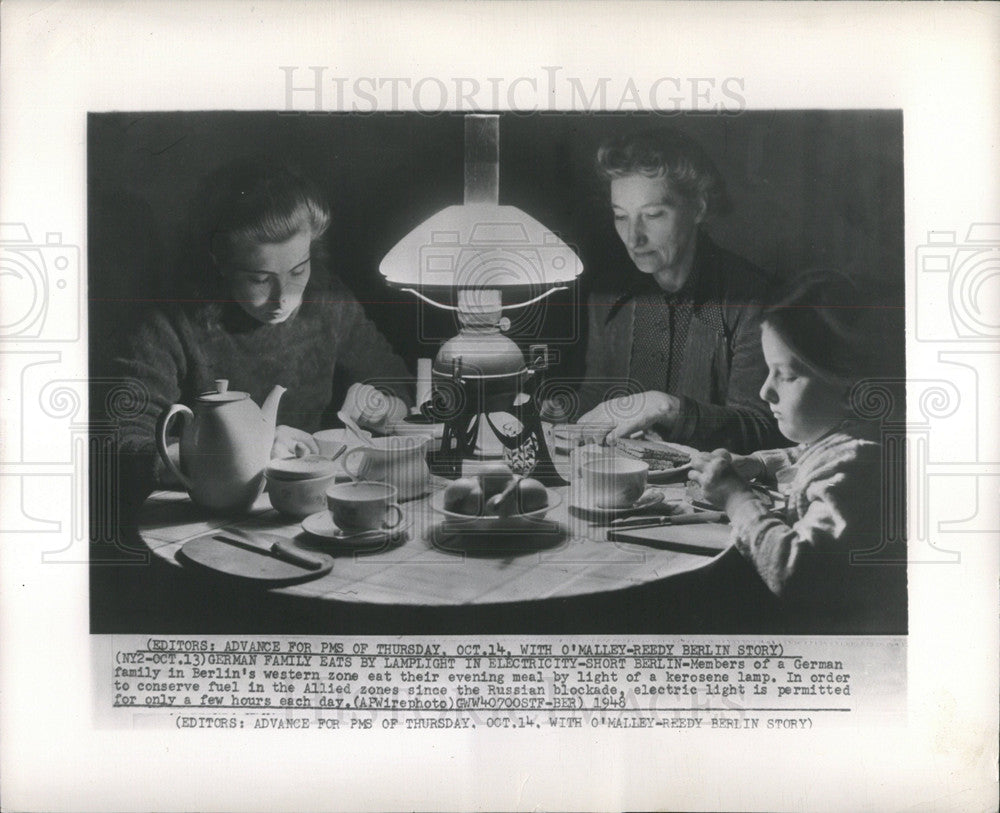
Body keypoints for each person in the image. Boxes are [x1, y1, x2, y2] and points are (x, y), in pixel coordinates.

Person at [109, 156, 411, 502]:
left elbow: (395, 380)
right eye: (259, 279)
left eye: (298, 270)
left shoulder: (327, 299)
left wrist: (380, 406)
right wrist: (249, 452)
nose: (284, 298)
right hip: (206, 518)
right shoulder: (168, 322)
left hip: (304, 503)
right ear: (219, 261)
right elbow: (124, 446)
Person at [687, 271, 905, 629]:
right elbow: (810, 456)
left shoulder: (860, 464)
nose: (765, 392)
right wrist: (757, 464)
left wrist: (737, 500)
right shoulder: (850, 440)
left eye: (785, 375)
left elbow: (799, 574)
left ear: (852, 390)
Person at [571, 128, 783, 454]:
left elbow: (762, 428)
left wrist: (667, 407)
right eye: (620, 216)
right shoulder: (607, 295)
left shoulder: (751, 298)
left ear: (697, 209)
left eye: (653, 215)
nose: (633, 237)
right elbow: (594, 402)